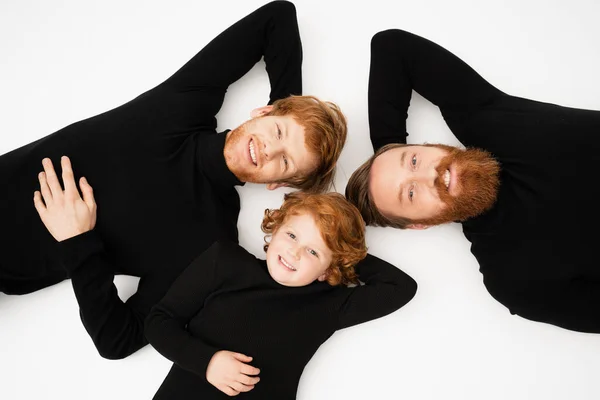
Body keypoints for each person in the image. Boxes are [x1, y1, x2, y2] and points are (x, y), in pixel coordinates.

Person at [0, 1, 348, 359]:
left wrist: (77, 242)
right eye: (277, 130)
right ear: (263, 112)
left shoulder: (210, 239)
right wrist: (286, 103)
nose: (269, 149)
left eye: (285, 161)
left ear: (279, 183)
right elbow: (277, 17)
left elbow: (118, 340)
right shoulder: (181, 107)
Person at [345, 28, 600, 333]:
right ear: (419, 224)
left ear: (430, 147)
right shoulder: (511, 279)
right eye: (410, 194)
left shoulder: (491, 122)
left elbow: (392, 46)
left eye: (414, 161)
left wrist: (388, 148)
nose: (430, 174)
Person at [145, 191, 417, 399]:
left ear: (327, 270)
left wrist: (342, 249)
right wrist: (207, 362)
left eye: (313, 252)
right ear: (275, 229)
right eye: (291, 235)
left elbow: (400, 288)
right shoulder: (225, 262)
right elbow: (159, 321)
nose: (295, 252)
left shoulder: (327, 304)